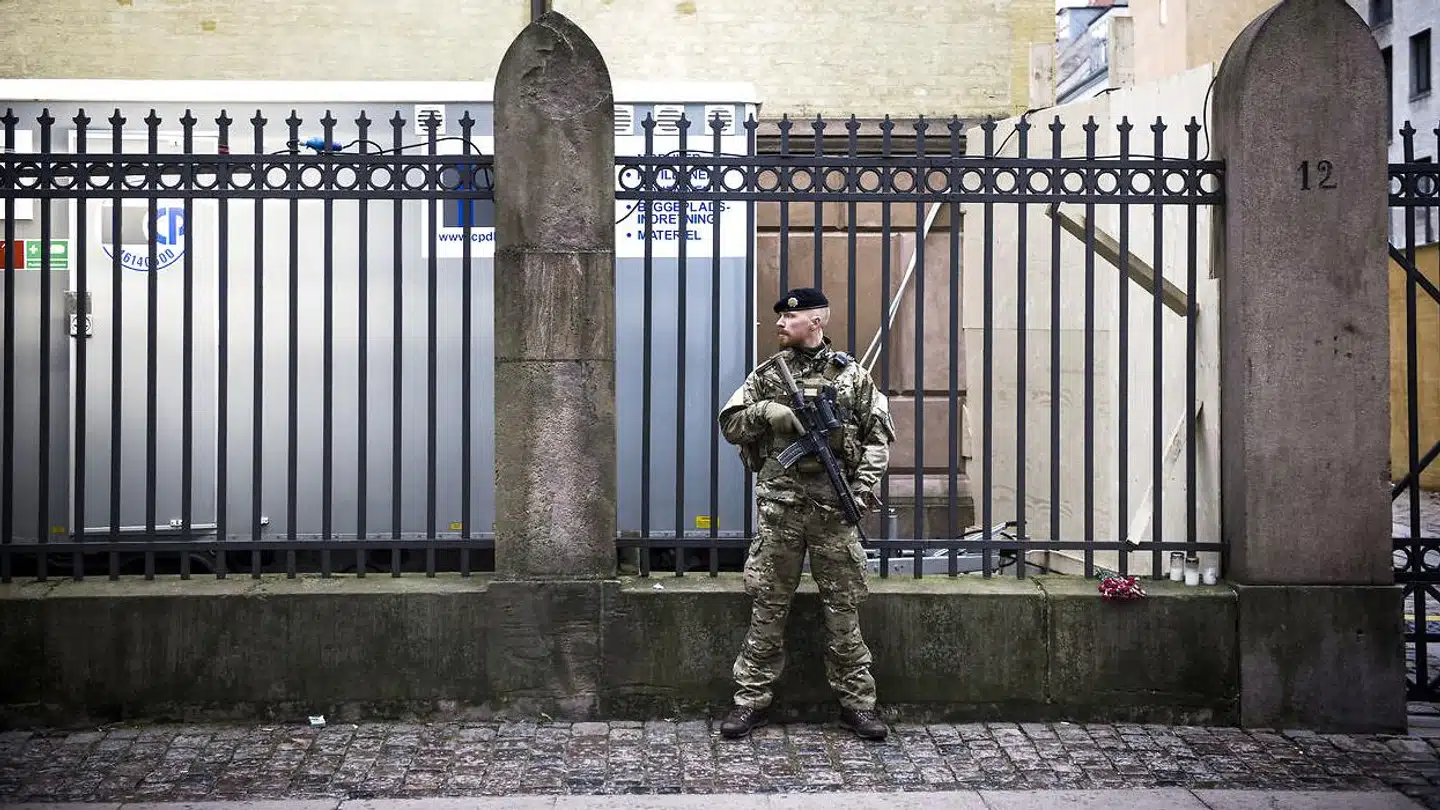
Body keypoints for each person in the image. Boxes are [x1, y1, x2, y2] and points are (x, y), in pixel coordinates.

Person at [715, 286, 896, 741]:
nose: (779, 324)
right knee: (768, 608)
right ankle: (749, 701)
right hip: (781, 511)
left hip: (835, 512)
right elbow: (730, 424)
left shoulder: (853, 378)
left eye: (788, 319)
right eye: (779, 318)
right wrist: (767, 412)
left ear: (815, 322)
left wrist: (860, 491)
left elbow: (877, 441)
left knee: (844, 612)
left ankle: (858, 705)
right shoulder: (767, 376)